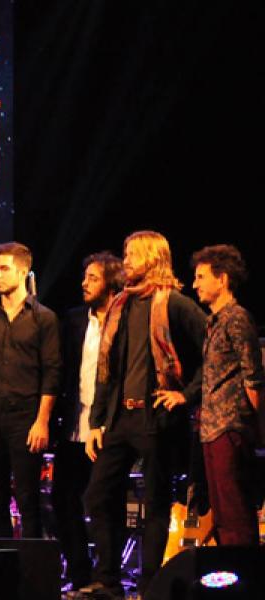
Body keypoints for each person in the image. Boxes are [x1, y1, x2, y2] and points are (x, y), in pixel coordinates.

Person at [82, 231, 206, 598]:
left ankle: (151, 585)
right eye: (125, 253)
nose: (126, 261)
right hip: (120, 419)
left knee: (155, 503)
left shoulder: (175, 304)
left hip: (156, 419)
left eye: (133, 254)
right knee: (97, 495)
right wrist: (96, 422)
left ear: (152, 258)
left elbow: (213, 350)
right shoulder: (121, 304)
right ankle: (108, 581)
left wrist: (185, 395)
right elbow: (106, 373)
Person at [0, 242, 60, 538]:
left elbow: (52, 371)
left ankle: (31, 560)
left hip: (25, 416)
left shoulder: (43, 318)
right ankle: (1, 558)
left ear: (23, 271)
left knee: (28, 496)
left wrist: (42, 421)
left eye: (4, 269)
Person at [54, 252, 123, 590]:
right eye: (85, 277)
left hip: (109, 429)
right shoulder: (74, 320)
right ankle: (80, 574)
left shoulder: (125, 319)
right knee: (63, 500)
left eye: (93, 278)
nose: (84, 283)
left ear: (111, 284)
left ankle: (108, 577)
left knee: (104, 502)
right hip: (74, 425)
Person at [190, 245, 261, 547]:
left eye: (201, 277)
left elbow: (253, 376)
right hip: (211, 428)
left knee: (235, 510)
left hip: (230, 427)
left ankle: (246, 568)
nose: (195, 284)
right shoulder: (214, 322)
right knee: (221, 512)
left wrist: (251, 428)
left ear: (222, 279)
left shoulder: (237, 318)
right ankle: (228, 566)